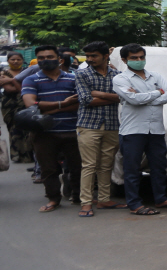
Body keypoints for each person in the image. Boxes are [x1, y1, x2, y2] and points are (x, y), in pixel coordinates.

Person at [115, 44, 167, 216]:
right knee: (132, 169)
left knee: (159, 166)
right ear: (124, 60)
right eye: (134, 58)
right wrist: (157, 93)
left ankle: (161, 198)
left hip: (156, 130)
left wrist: (144, 98)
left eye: (141, 57)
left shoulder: (155, 76)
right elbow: (133, 100)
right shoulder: (120, 79)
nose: (139, 60)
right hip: (133, 131)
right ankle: (135, 204)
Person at [22, 45, 82, 212]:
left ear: (60, 60)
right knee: (48, 169)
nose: (45, 60)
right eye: (41, 58)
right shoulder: (31, 80)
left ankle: (78, 196)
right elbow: (30, 104)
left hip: (72, 130)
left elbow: (80, 103)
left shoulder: (74, 78)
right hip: (43, 133)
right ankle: (53, 199)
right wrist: (63, 103)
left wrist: (48, 109)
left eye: (49, 57)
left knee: (78, 167)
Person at [74, 41, 125, 217]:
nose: (89, 59)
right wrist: (114, 97)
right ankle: (86, 203)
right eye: (87, 56)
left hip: (112, 124)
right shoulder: (82, 74)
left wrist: (99, 94)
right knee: (89, 165)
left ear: (105, 56)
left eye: (93, 56)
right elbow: (86, 100)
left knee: (106, 164)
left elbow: (124, 98)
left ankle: (104, 199)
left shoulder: (118, 75)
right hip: (88, 125)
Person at [1, 52, 35, 164]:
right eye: (13, 59)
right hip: (9, 105)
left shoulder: (27, 71)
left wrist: (11, 81)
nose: (15, 62)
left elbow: (27, 87)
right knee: (14, 129)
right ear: (8, 61)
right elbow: (9, 89)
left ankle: (30, 155)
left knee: (28, 129)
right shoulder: (3, 73)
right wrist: (21, 84)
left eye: (18, 59)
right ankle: (17, 155)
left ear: (22, 60)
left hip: (25, 103)